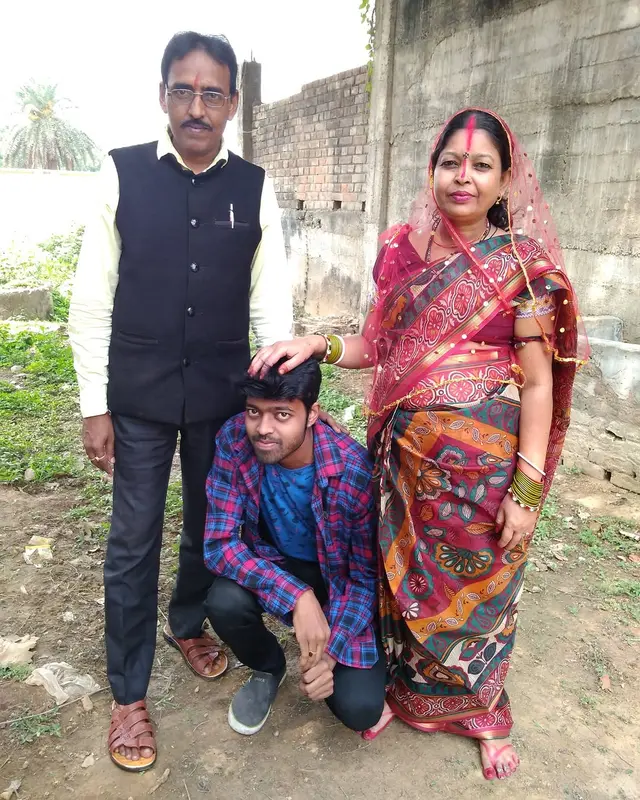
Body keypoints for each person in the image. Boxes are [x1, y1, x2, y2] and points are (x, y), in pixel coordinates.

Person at [250, 109, 588, 780]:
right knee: (403, 584)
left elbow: (540, 389)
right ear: (432, 170)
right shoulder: (401, 250)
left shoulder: (523, 267)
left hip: (487, 479)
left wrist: (525, 492)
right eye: (451, 163)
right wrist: (321, 341)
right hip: (405, 466)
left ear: (504, 180)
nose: (463, 177)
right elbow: (380, 345)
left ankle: (484, 712)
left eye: (481, 165)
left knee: (484, 591)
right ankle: (402, 694)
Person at [68, 31, 293, 771]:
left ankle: (187, 621)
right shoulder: (121, 175)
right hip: (137, 396)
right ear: (163, 94)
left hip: (224, 399)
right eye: (183, 90)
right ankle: (128, 693)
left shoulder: (254, 186)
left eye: (213, 93)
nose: (197, 108)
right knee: (133, 541)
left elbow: (272, 304)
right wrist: (94, 404)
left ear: (233, 102)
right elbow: (91, 301)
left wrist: (280, 399)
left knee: (209, 524)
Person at [203, 358, 386, 736]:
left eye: (282, 414)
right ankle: (269, 666)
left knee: (360, 709)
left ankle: (335, 652)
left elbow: (364, 578)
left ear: (313, 414)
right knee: (223, 601)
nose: (263, 429)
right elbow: (219, 544)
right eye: (254, 411)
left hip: (337, 580)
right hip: (278, 566)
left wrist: (330, 653)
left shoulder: (351, 468)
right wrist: (297, 596)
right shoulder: (234, 440)